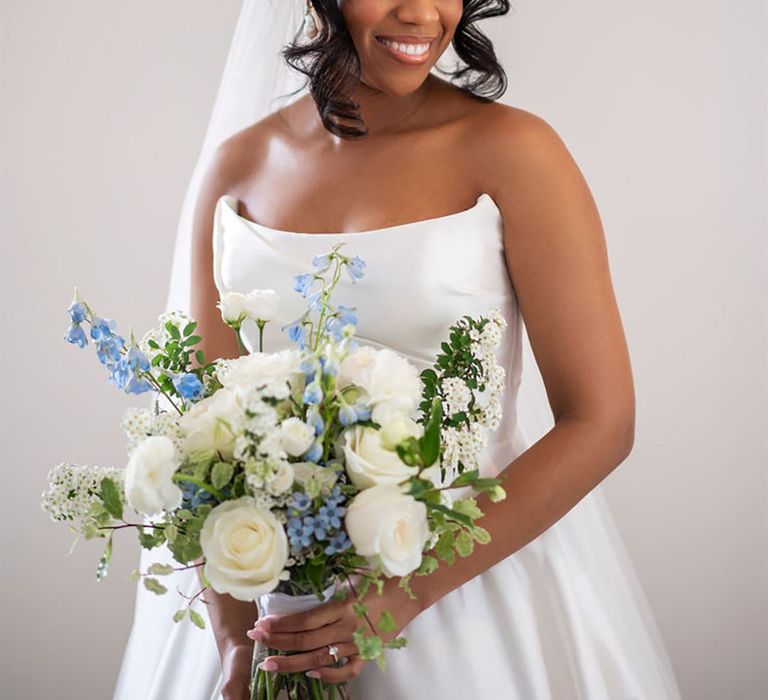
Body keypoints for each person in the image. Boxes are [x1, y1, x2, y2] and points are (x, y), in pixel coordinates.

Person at [114, 2, 682, 698]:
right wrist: (237, 642)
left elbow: (601, 421)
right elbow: (200, 433)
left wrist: (402, 597)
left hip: (468, 595)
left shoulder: (516, 152)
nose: (420, 13)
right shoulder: (240, 167)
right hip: (272, 614)